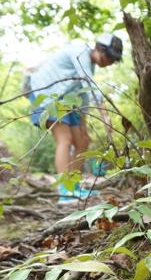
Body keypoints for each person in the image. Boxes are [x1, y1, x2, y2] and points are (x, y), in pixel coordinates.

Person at [27, 33, 123, 201]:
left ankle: (75, 185)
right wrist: (105, 116)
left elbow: (83, 97)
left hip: (65, 101)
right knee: (65, 139)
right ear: (99, 48)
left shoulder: (89, 65)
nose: (109, 62)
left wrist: (84, 127)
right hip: (45, 95)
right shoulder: (80, 52)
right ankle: (65, 190)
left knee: (82, 141)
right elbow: (89, 84)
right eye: (109, 56)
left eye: (113, 60)